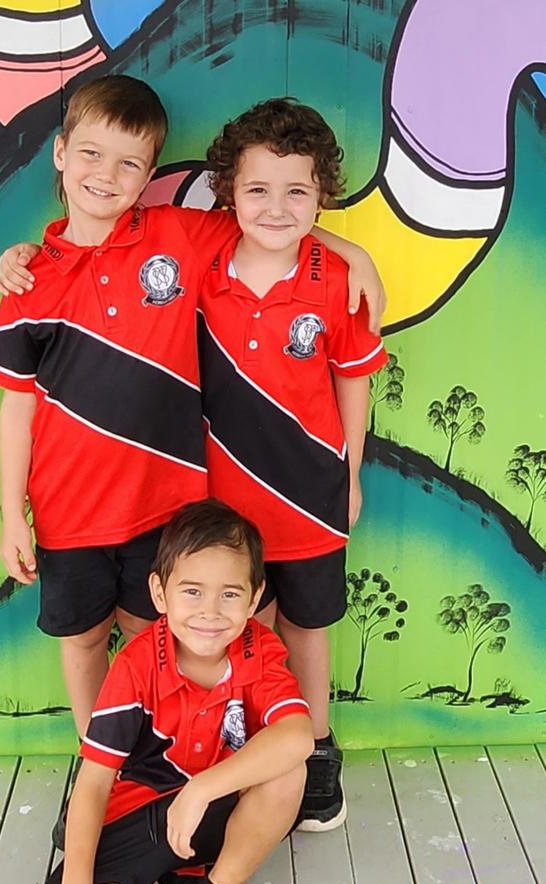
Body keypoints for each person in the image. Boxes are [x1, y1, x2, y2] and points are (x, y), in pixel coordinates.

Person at [0, 75, 384, 834]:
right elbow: (17, 401)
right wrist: (15, 511)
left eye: (130, 163)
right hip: (84, 509)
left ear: (149, 175)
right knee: (84, 641)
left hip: (174, 511)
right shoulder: (32, 276)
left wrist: (349, 247)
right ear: (61, 155)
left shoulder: (176, 236)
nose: (107, 175)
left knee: (174, 639)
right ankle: (104, 765)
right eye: (92, 156)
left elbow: (274, 225)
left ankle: (240, 755)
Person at [21, 499, 314, 884]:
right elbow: (92, 783)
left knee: (289, 769)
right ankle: (169, 880)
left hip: (219, 812)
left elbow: (299, 735)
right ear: (159, 592)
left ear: (254, 596)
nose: (209, 612)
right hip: (146, 815)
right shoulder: (136, 664)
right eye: (192, 591)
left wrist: (202, 789)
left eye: (229, 594)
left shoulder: (258, 651)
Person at [198, 98, 389, 832]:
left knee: (307, 627)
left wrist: (350, 474)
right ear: (228, 193)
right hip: (221, 498)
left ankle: (313, 754)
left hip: (308, 495)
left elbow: (353, 379)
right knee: (243, 625)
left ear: (321, 196)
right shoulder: (202, 261)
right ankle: (243, 753)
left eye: (297, 191)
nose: (276, 207)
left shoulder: (340, 281)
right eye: (257, 189)